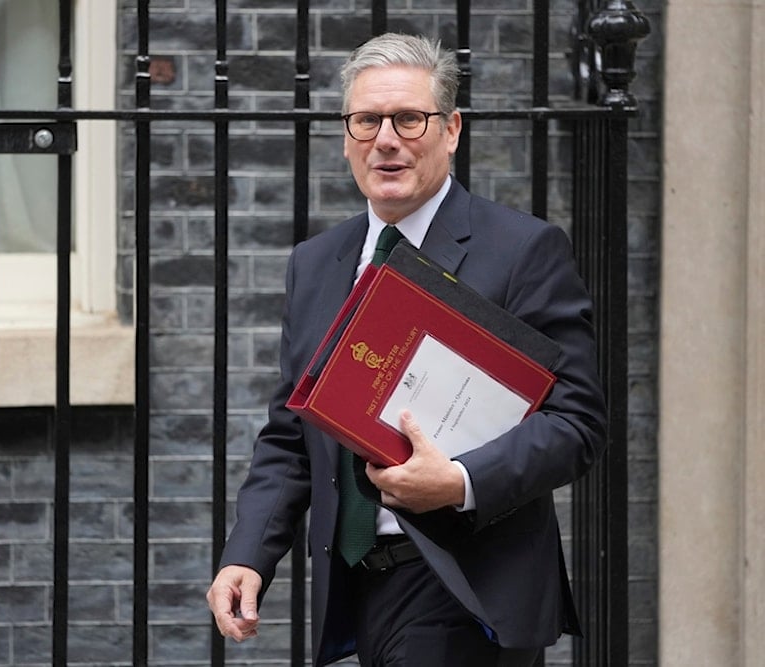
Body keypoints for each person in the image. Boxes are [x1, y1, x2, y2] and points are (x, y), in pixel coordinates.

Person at [205, 33, 606, 667]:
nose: (385, 139)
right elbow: (290, 433)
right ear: (346, 136)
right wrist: (246, 555)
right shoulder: (315, 264)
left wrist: (458, 483)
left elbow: (577, 424)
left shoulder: (523, 251)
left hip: (464, 585)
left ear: (451, 129)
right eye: (366, 120)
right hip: (358, 586)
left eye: (408, 119)